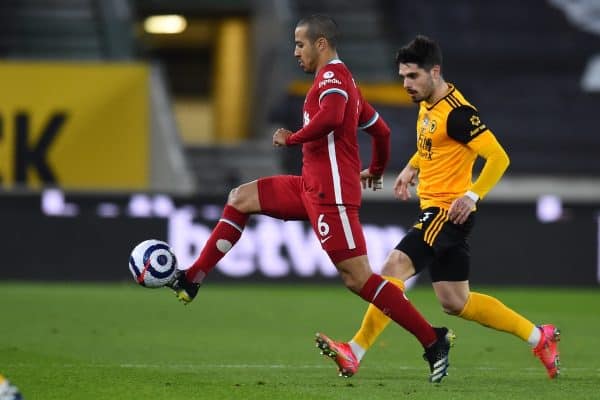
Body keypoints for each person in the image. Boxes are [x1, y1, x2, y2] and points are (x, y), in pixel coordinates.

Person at [168, 16, 454, 383]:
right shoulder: (340, 81)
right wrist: (376, 169)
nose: (296, 52)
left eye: (300, 44)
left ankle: (434, 340)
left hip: (331, 196)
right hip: (309, 187)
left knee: (359, 280)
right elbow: (380, 131)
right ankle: (193, 278)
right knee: (240, 198)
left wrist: (294, 137)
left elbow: (334, 117)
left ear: (321, 45)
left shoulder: (333, 79)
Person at [315, 35, 561, 380]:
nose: (406, 85)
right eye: (402, 77)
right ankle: (540, 337)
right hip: (442, 213)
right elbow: (435, 141)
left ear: (435, 72)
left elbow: (498, 157)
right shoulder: (429, 103)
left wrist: (472, 195)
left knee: (392, 268)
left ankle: (353, 351)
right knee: (456, 301)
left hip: (446, 212)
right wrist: (412, 164)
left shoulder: (458, 114)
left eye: (413, 76)